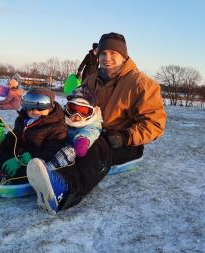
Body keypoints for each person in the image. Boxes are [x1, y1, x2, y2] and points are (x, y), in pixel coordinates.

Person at [26, 32, 167, 215]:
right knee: (56, 134)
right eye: (103, 54)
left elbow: (155, 123)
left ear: (123, 55)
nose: (107, 59)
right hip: (86, 130)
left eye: (113, 54)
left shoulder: (141, 84)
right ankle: (16, 167)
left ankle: (66, 189)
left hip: (123, 142)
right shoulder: (91, 80)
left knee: (97, 144)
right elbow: (75, 104)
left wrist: (125, 136)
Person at [0, 87, 68, 185]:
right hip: (17, 155)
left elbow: (52, 152)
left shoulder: (57, 127)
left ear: (51, 106)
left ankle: (1, 180)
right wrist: (0, 137)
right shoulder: (23, 120)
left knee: (28, 171)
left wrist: (23, 160)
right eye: (30, 104)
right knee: (1, 152)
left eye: (41, 105)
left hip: (35, 161)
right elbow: (13, 142)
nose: (34, 110)